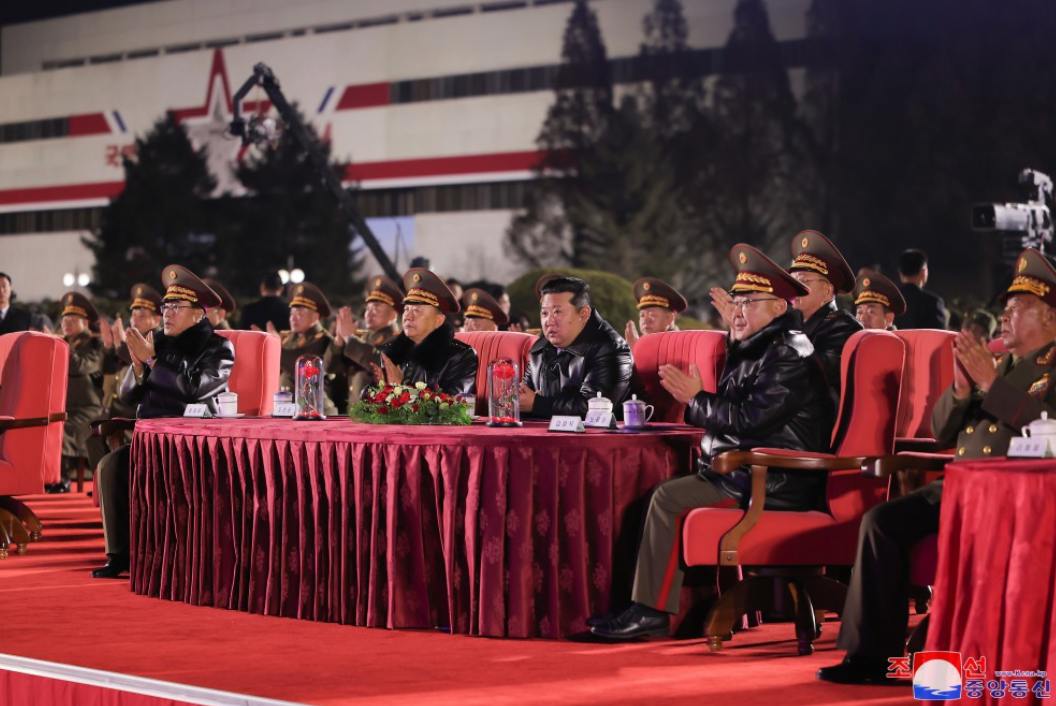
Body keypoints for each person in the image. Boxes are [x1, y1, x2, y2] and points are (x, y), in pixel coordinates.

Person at [817, 247, 1056, 684]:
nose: (1005, 316)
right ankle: (870, 657)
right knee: (880, 521)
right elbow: (942, 432)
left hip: (1018, 499)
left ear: (1050, 317)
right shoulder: (998, 362)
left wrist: (990, 384)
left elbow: (1048, 427)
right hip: (962, 488)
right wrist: (962, 390)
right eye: (1005, 306)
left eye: (1019, 307)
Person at [589, 245, 832, 640]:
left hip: (774, 479)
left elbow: (750, 420)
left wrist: (695, 399)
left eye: (751, 303)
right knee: (653, 496)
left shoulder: (787, 353)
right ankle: (646, 607)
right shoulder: (761, 345)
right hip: (747, 470)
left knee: (666, 499)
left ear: (778, 307)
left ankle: (651, 614)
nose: (739, 311)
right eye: (737, 302)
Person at [92, 265, 233, 578]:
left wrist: (153, 360)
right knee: (111, 465)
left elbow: (195, 388)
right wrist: (138, 366)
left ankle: (178, 554)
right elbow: (127, 396)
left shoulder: (218, 347)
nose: (167, 313)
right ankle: (120, 555)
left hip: (193, 445)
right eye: (166, 306)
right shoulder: (156, 340)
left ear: (198, 314)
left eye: (176, 307)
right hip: (151, 441)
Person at [520, 275, 632, 418]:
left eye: (557, 312)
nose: (549, 321)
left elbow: (593, 407)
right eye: (544, 313)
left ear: (584, 314)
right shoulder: (541, 348)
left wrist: (537, 404)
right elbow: (525, 396)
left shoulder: (611, 348)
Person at [375, 268, 477, 394]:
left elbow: (452, 402)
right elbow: (366, 394)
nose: (408, 316)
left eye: (417, 311)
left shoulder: (459, 356)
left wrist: (400, 388)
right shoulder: (390, 352)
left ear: (438, 320)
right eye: (406, 309)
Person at [55, 292, 104, 494]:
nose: (67, 323)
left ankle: (61, 479)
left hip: (89, 409)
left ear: (85, 322)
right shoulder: (60, 344)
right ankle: (51, 477)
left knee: (63, 429)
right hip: (64, 407)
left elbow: (81, 367)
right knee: (49, 426)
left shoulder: (95, 344)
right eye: (65, 319)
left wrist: (64, 347)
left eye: (73, 320)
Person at [277, 282, 344, 416]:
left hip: (313, 409)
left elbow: (299, 366)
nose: (293, 318)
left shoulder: (323, 341)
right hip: (285, 407)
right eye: (292, 313)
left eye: (300, 312)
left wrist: (275, 349)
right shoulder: (287, 339)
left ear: (315, 316)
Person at [336, 275, 403, 403]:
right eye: (368, 308)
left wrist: (349, 338)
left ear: (394, 314)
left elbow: (380, 361)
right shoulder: (361, 338)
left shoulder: (399, 340)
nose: (369, 313)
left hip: (378, 410)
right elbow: (330, 368)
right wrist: (338, 342)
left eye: (376, 307)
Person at [894, 249, 949, 330]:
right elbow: (939, 334)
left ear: (900, 273)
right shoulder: (933, 303)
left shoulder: (890, 300)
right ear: (923, 272)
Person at [624, 277, 687, 347]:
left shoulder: (679, 345)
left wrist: (635, 349)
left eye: (652, 315)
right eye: (642, 315)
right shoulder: (641, 343)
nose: (645, 320)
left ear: (669, 318)